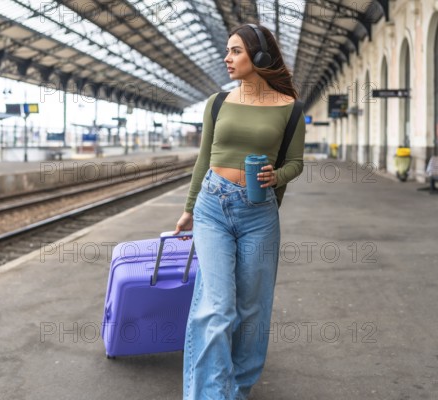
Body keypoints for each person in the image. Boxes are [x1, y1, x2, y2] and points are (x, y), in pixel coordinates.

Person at [174, 24, 306, 400]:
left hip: (258, 215)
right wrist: (188, 209)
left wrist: (275, 175)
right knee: (216, 309)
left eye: (235, 51)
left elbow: (296, 163)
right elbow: (204, 159)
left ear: (259, 57)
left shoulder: (290, 109)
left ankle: (237, 390)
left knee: (252, 313)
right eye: (228, 51)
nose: (226, 58)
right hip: (212, 207)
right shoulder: (218, 102)